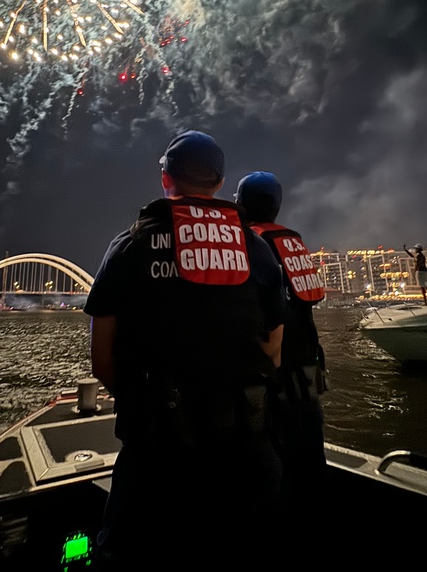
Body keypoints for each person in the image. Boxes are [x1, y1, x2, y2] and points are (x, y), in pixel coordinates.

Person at [85, 131, 289, 570]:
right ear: (218, 184)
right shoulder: (254, 248)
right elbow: (273, 350)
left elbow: (101, 360)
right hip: (244, 453)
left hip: (156, 458)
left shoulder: (130, 245)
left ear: (165, 179)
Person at [234, 171, 327, 562]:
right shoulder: (293, 240)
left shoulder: (249, 245)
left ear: (240, 204)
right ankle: (315, 538)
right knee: (310, 456)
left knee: (271, 459)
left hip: (273, 369)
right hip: (308, 366)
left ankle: (274, 550)